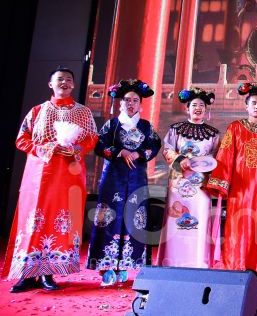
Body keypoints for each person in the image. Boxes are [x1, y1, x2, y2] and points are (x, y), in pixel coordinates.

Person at [3, 67, 98, 292]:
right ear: (50, 84)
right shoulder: (37, 111)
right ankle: (27, 273)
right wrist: (43, 148)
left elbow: (92, 139)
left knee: (60, 218)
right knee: (34, 220)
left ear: (73, 84)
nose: (64, 83)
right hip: (39, 175)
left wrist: (76, 148)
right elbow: (21, 139)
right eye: (59, 79)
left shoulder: (83, 112)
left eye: (68, 79)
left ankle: (49, 272)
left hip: (68, 173)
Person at [88, 79, 161, 286]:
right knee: (110, 218)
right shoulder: (112, 124)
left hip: (136, 179)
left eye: (135, 100)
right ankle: (106, 265)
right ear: (120, 103)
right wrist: (120, 151)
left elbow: (155, 145)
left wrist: (139, 153)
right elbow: (99, 145)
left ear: (140, 104)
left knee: (133, 218)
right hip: (113, 178)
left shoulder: (146, 126)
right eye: (127, 100)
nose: (131, 104)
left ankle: (125, 264)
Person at [206, 81, 257, 280]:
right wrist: (222, 183)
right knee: (238, 225)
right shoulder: (235, 128)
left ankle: (256, 268)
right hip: (240, 186)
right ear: (246, 106)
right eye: (253, 103)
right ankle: (235, 265)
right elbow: (225, 155)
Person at [155, 87, 220, 268]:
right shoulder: (176, 129)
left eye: (201, 105)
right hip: (178, 184)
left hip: (201, 186)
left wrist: (204, 164)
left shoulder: (213, 133)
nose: (198, 108)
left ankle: (198, 262)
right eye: (194, 105)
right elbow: (167, 150)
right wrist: (180, 160)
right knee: (175, 220)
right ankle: (172, 261)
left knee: (199, 220)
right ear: (187, 108)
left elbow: (217, 157)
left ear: (206, 109)